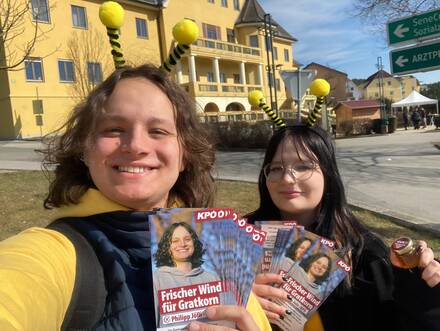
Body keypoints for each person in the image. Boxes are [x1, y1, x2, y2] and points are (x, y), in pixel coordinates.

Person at [0, 64, 270, 331]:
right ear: (85, 148)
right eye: (114, 129)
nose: (137, 146)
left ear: (184, 156)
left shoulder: (222, 256)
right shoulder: (52, 254)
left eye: (158, 131)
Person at [246, 125, 440, 331]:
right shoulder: (238, 240)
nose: (286, 178)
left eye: (303, 166)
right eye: (276, 168)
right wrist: (241, 300)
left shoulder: (366, 255)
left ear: (327, 174)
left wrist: (424, 288)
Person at [153, 222, 221, 327]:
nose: (183, 244)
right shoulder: (156, 279)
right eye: (175, 241)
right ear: (167, 247)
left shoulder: (212, 278)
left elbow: (223, 320)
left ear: (194, 243)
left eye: (187, 239)